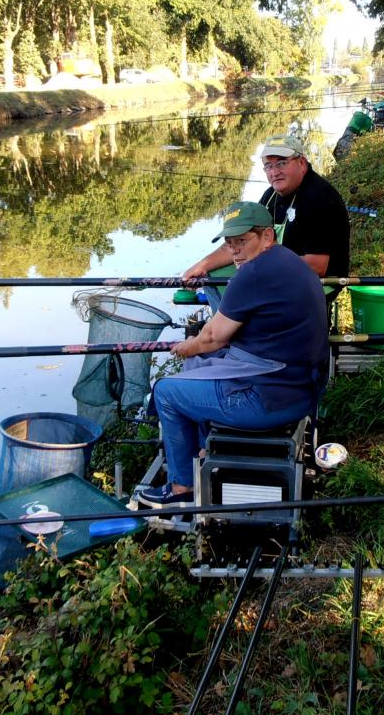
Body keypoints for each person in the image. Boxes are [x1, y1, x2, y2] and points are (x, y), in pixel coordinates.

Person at [141, 201, 329, 504]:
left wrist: (184, 348)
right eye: (230, 244)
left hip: (267, 401)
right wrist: (197, 351)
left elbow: (212, 338)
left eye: (242, 241)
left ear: (267, 236)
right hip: (302, 391)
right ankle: (204, 451)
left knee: (165, 391)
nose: (235, 251)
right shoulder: (290, 261)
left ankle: (181, 487)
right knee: (197, 368)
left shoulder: (253, 274)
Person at [183, 133, 350, 286]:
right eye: (268, 166)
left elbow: (316, 266)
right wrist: (202, 265)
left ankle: (239, 316)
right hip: (276, 269)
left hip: (317, 283)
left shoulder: (318, 197)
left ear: (301, 163)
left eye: (282, 163)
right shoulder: (271, 195)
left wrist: (257, 268)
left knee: (242, 289)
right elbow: (242, 240)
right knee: (214, 275)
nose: (274, 172)